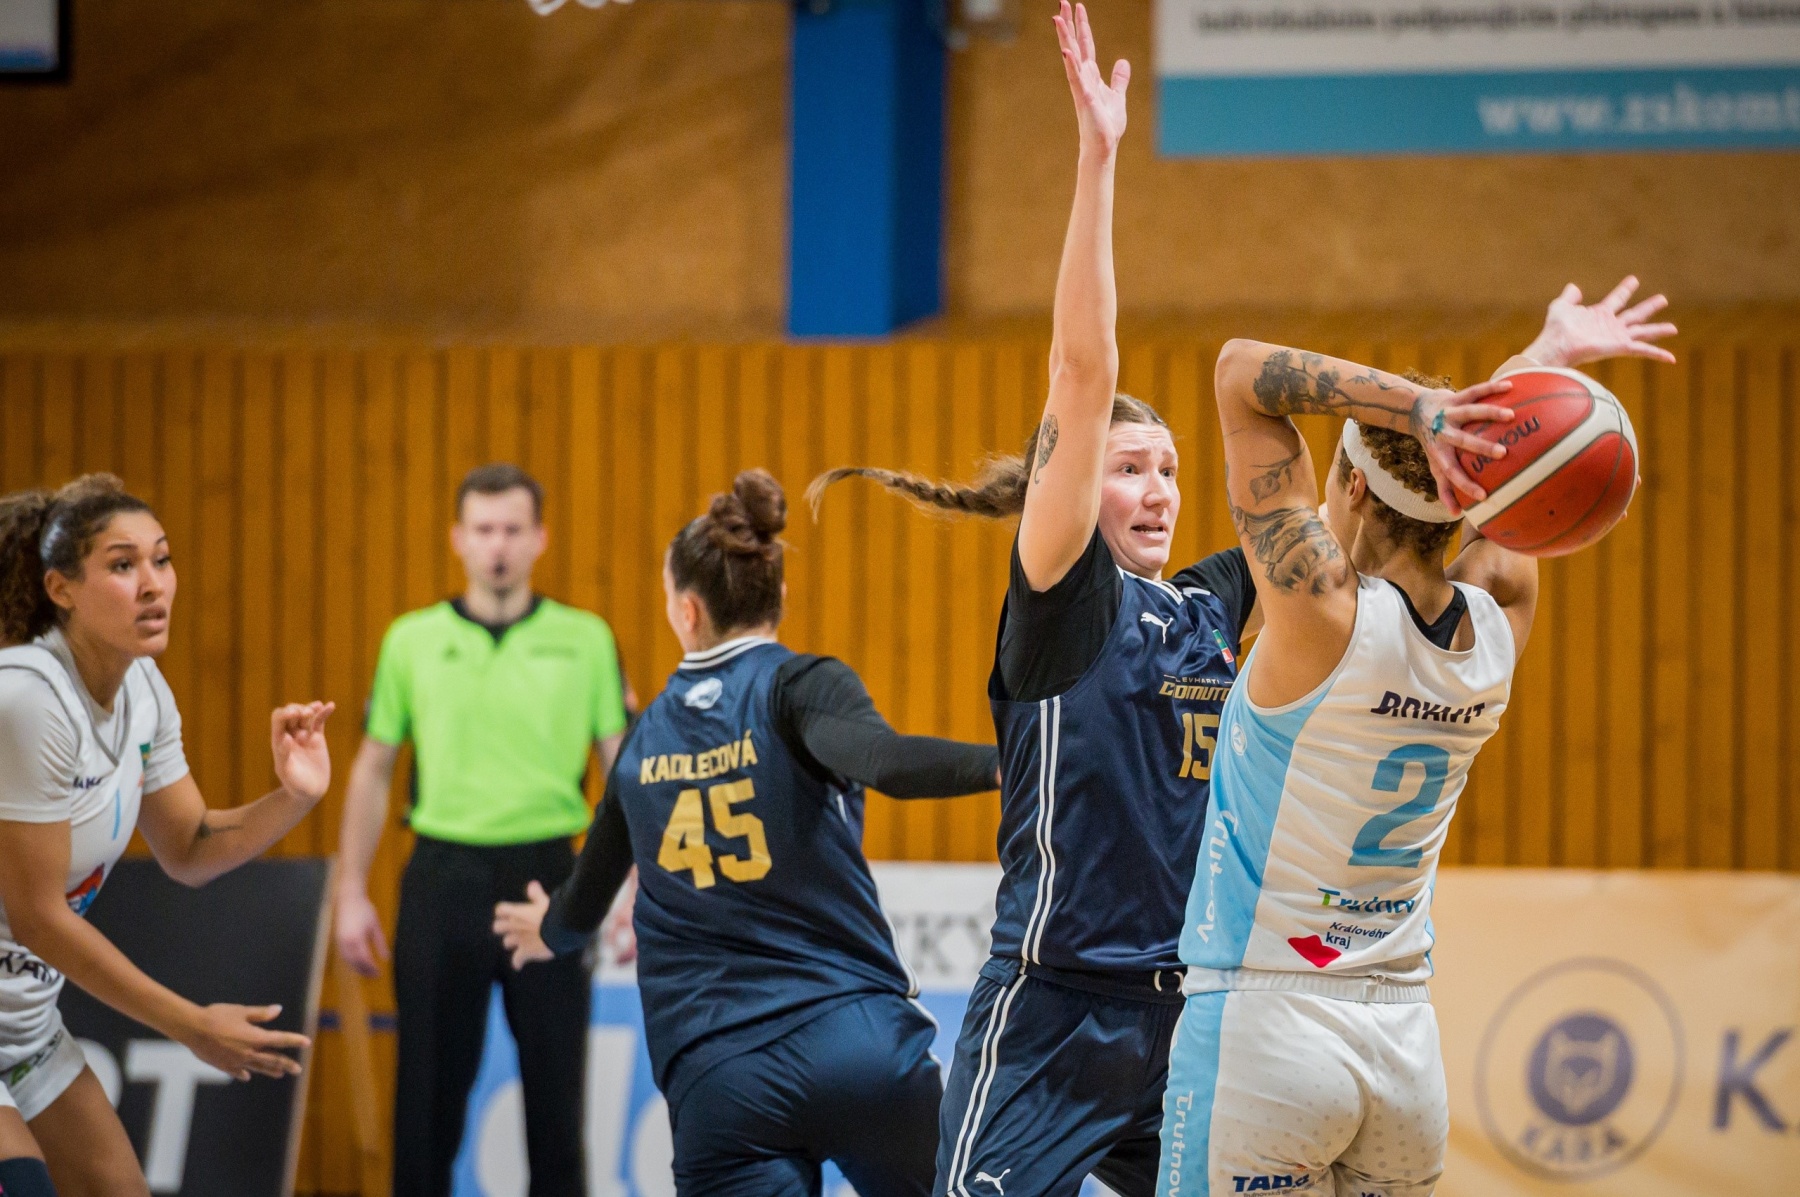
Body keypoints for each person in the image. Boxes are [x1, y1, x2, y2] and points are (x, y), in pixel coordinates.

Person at [810, 9, 1255, 1195]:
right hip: (1055, 1011)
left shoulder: (1207, 609)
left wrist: (1528, 377)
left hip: (1183, 1016)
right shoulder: (1066, 596)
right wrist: (1098, 160)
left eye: (1169, 469)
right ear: (1073, 487)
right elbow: (1082, 371)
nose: (1157, 489)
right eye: (1128, 467)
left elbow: (1360, 523)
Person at [1156, 277, 1676, 1196]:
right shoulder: (1497, 623)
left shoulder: (1318, 616)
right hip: (1403, 1047)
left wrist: (1421, 406)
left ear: (1353, 485)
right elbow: (1517, 481)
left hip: (1267, 1024)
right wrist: (1540, 364)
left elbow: (1240, 371)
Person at [492, 469, 999, 1197]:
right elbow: (887, 762)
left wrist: (546, 927)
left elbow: (578, 913)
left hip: (721, 1079)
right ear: (780, 595)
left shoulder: (642, 743)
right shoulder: (800, 687)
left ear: (686, 611)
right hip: (855, 1043)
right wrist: (1011, 762)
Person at [0, 474, 334, 1197]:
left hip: (21, 1023)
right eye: (123, 565)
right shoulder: (26, 697)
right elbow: (38, 918)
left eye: (162, 558)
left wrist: (296, 795)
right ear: (61, 589)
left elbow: (189, 847)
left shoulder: (144, 689)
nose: (153, 584)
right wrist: (191, 1024)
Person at [333, 463, 629, 1197]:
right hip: (443, 880)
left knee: (557, 1110)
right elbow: (372, 769)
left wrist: (630, 887)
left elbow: (624, 773)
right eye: (485, 529)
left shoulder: (586, 639)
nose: (499, 545)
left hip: (552, 880)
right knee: (426, 1107)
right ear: (459, 538)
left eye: (513, 530)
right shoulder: (412, 640)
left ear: (540, 538)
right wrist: (350, 892)